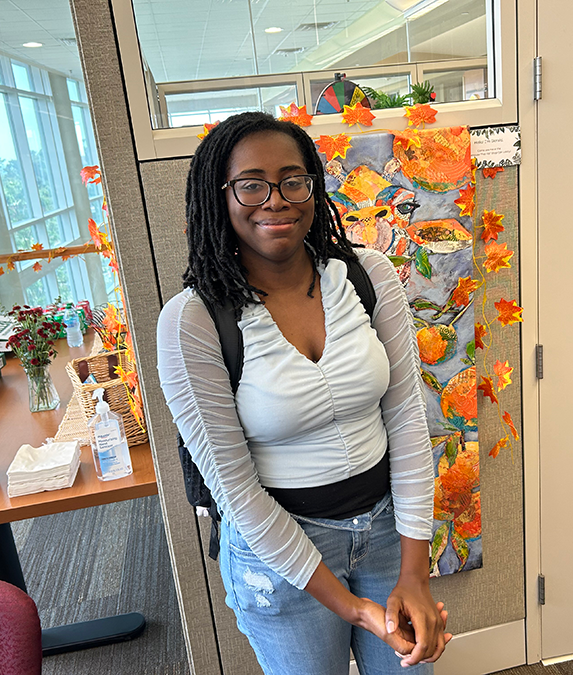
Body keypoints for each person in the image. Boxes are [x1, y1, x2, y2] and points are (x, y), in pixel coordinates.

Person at [157, 111, 450, 674]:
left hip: (389, 534)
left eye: (294, 180)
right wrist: (352, 609)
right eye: (251, 184)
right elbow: (235, 492)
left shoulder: (368, 275)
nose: (277, 199)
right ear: (219, 196)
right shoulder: (192, 320)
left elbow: (408, 421)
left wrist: (413, 570)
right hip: (281, 555)